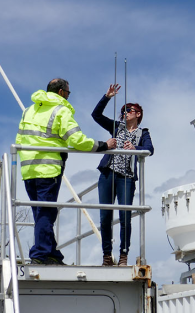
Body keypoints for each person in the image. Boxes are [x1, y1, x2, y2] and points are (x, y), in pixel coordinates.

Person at [16, 78, 117, 265]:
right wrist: (103, 145)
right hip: (47, 169)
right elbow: (76, 140)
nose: (69, 97)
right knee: (46, 213)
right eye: (69, 93)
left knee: (41, 213)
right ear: (62, 92)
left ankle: (52, 253)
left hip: (28, 169)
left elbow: (21, 138)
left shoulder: (29, 111)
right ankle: (40, 255)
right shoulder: (60, 110)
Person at [92, 83, 154, 266]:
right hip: (107, 174)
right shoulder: (116, 127)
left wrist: (136, 148)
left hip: (126, 177)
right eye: (123, 110)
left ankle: (124, 255)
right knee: (105, 216)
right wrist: (107, 97)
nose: (125, 112)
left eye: (129, 110)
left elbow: (150, 149)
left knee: (125, 216)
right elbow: (95, 115)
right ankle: (107, 256)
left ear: (138, 114)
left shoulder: (143, 133)